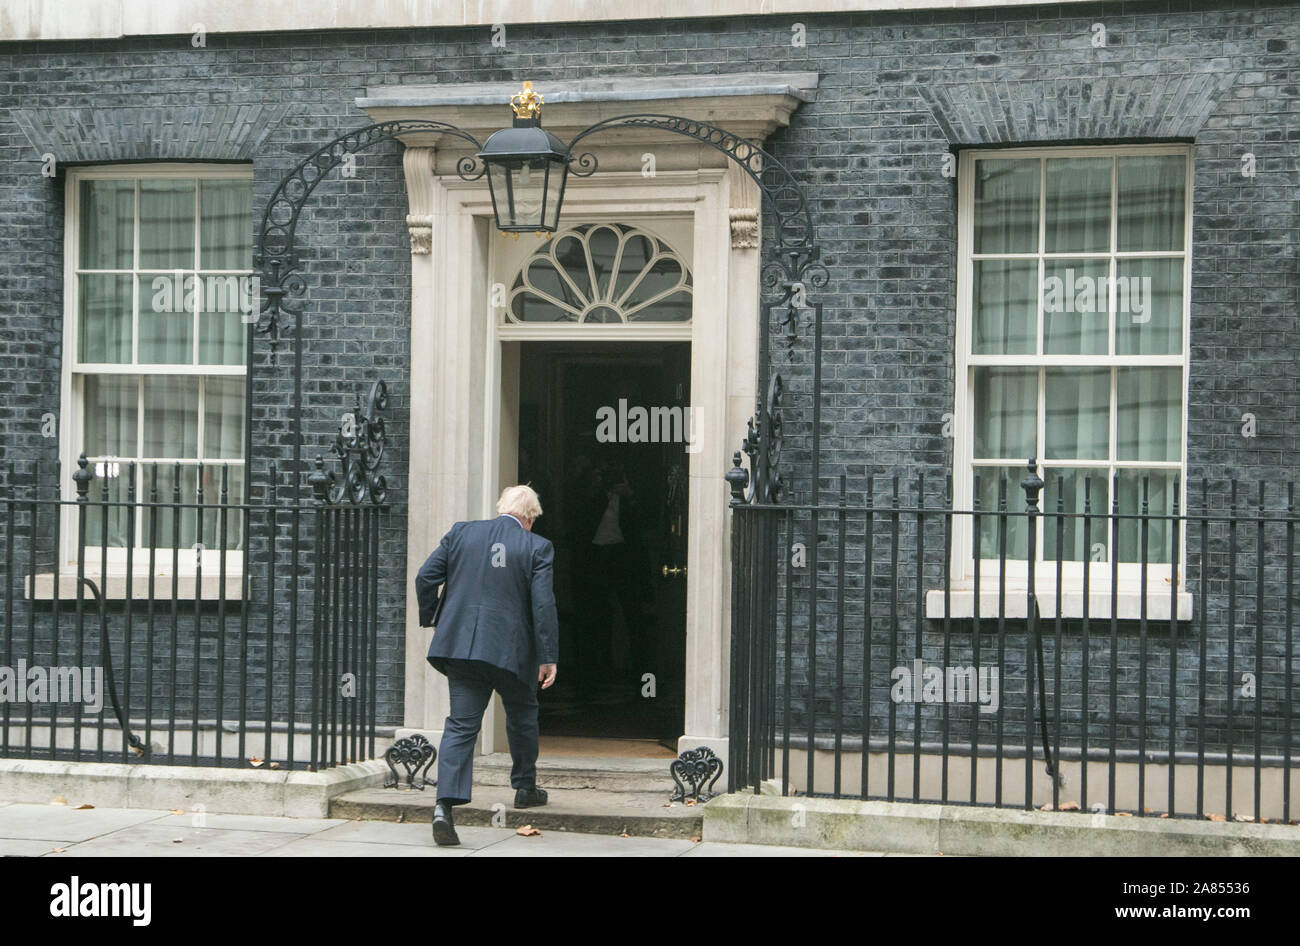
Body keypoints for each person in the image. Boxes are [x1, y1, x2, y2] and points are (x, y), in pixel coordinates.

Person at [415, 484, 559, 846]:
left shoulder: (462, 532)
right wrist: (548, 657)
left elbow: (425, 577)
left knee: (461, 726)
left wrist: (436, 617)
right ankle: (524, 787)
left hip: (461, 649)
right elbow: (542, 606)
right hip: (513, 653)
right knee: (522, 716)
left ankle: (443, 807)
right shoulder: (536, 546)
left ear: (501, 508)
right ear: (529, 517)